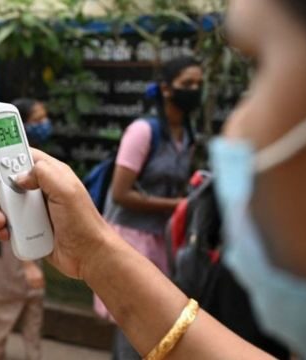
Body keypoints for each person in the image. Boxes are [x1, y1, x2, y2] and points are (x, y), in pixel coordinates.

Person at [0, 0, 306, 358]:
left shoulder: (189, 132)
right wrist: (92, 251)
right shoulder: (144, 131)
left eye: (258, 68)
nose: (234, 128)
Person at [102, 57, 201, 358]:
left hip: (163, 241)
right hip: (131, 240)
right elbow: (121, 193)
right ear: (166, 89)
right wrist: (180, 205)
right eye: (187, 84)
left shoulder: (187, 135)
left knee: (156, 328)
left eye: (199, 84)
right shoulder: (143, 131)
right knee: (133, 325)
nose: (195, 90)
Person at [0, 98, 50, 360]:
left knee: (33, 319)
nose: (44, 124)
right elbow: (10, 211)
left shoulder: (38, 156)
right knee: (0, 321)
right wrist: (29, 264)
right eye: (38, 119)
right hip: (8, 247)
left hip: (32, 244)